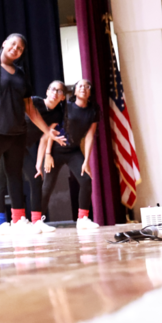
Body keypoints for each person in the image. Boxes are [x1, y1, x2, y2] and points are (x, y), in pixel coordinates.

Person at [0, 34, 63, 236]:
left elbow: (29, 107)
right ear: (3, 43)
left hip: (17, 133)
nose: (16, 49)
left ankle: (19, 220)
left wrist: (47, 131)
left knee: (15, 177)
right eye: (13, 44)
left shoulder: (20, 74)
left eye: (20, 48)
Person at [41, 80, 101, 230]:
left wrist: (86, 160)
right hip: (56, 150)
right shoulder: (65, 106)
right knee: (47, 186)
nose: (83, 88)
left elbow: (89, 136)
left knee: (86, 179)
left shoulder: (93, 110)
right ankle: (37, 220)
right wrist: (48, 154)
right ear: (74, 91)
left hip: (73, 151)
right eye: (80, 86)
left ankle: (83, 218)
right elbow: (51, 130)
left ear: (90, 92)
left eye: (87, 86)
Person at [24, 81, 66, 231]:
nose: (55, 93)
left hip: (24, 147)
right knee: (2, 181)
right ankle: (1, 222)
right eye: (53, 89)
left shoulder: (57, 113)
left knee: (36, 177)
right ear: (47, 91)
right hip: (11, 142)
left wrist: (38, 163)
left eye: (59, 91)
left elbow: (44, 137)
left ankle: (36, 222)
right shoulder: (34, 101)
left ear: (62, 97)